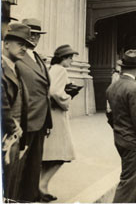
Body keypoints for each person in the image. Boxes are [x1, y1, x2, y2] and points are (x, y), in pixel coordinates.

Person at [106, 50, 136, 203]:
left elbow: (109, 115)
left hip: (120, 138)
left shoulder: (112, 87)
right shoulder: (134, 89)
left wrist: (119, 129)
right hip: (133, 142)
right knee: (128, 182)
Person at [16, 18, 52, 202]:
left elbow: (44, 89)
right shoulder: (18, 57)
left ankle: (30, 197)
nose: (35, 38)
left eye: (38, 35)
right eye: (32, 34)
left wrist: (49, 120)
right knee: (20, 165)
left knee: (34, 163)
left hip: (41, 118)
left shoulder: (38, 57)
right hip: (25, 118)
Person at [39, 44, 78, 201]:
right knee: (62, 155)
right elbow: (55, 91)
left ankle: (41, 185)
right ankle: (42, 185)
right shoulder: (61, 70)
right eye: (70, 58)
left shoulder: (52, 68)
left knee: (50, 155)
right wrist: (67, 98)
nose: (71, 61)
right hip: (57, 116)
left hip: (50, 115)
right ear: (63, 58)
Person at [2, 23, 32, 201]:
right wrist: (13, 127)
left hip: (15, 138)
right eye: (20, 43)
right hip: (6, 136)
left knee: (12, 184)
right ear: (6, 43)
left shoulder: (15, 68)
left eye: (26, 45)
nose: (24, 48)